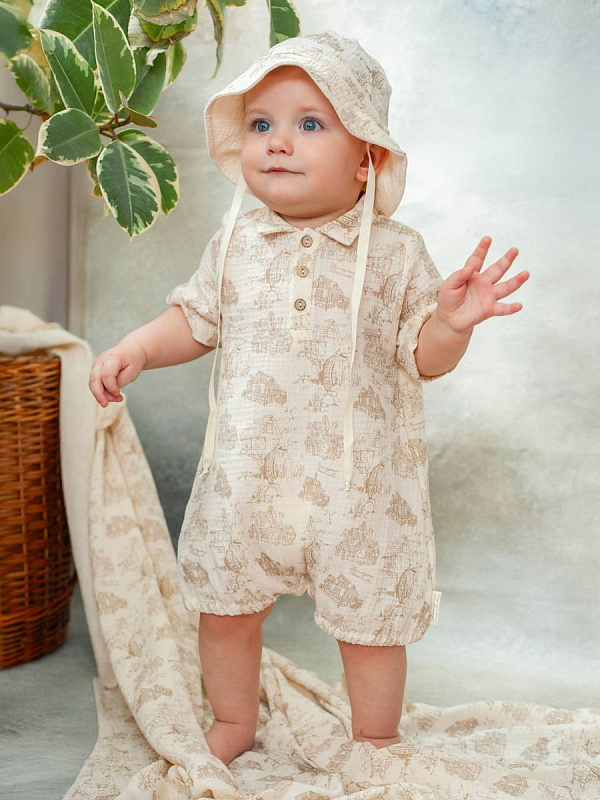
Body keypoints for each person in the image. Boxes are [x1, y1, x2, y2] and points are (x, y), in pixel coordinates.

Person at [88, 31, 529, 766]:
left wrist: (452, 325)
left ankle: (375, 737)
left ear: (367, 158)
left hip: (358, 488)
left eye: (310, 123)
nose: (277, 142)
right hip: (247, 478)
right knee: (227, 610)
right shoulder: (235, 243)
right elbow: (194, 320)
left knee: (370, 624)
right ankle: (234, 720)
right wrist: (137, 347)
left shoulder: (396, 253)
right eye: (261, 123)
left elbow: (422, 357)